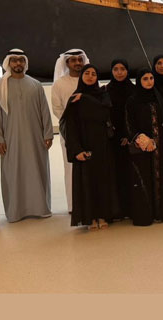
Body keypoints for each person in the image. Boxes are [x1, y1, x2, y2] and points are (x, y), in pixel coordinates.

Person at [0, 49, 54, 222]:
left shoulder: (35, 85)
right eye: (14, 60)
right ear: (8, 63)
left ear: (25, 62)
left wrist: (48, 133)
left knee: (37, 171)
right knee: (13, 173)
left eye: (21, 60)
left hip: (35, 138)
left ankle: (40, 208)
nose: (18, 63)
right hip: (11, 139)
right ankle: (16, 211)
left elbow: (44, 111)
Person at [60, 64, 121, 229]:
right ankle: (90, 217)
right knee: (88, 182)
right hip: (84, 144)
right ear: (81, 76)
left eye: (94, 74)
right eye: (87, 73)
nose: (90, 76)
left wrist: (85, 99)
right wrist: (76, 150)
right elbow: (69, 126)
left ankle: (103, 215)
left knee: (103, 180)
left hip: (102, 145)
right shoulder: (75, 98)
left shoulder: (102, 94)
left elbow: (104, 113)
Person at [124, 68, 163, 226]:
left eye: (151, 78)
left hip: (159, 146)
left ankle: (160, 212)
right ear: (139, 81)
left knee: (159, 178)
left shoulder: (157, 97)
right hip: (142, 147)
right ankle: (146, 215)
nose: (149, 82)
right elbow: (128, 123)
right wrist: (141, 138)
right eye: (145, 79)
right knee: (144, 179)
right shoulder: (132, 100)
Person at [51, 48, 89, 214]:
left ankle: (91, 205)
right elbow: (57, 108)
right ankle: (74, 206)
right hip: (69, 133)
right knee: (71, 168)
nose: (77, 63)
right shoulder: (59, 84)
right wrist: (72, 124)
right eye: (73, 60)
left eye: (80, 60)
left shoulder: (89, 80)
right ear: (67, 63)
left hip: (89, 131)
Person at [106, 58, 136, 219]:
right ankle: (117, 210)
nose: (119, 73)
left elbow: (135, 115)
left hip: (130, 139)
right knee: (115, 174)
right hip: (112, 140)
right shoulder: (106, 91)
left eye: (122, 69)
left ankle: (131, 208)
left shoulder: (133, 90)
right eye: (116, 69)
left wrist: (127, 135)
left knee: (130, 174)